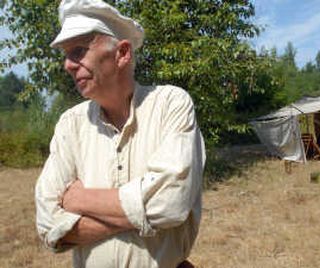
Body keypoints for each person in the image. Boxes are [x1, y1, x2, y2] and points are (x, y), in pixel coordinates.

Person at [34, 0, 206, 267]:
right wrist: (142, 216)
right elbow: (47, 225)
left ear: (122, 53)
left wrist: (78, 200)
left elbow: (170, 204)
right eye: (66, 55)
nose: (68, 64)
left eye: (79, 51)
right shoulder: (71, 123)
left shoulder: (170, 103)